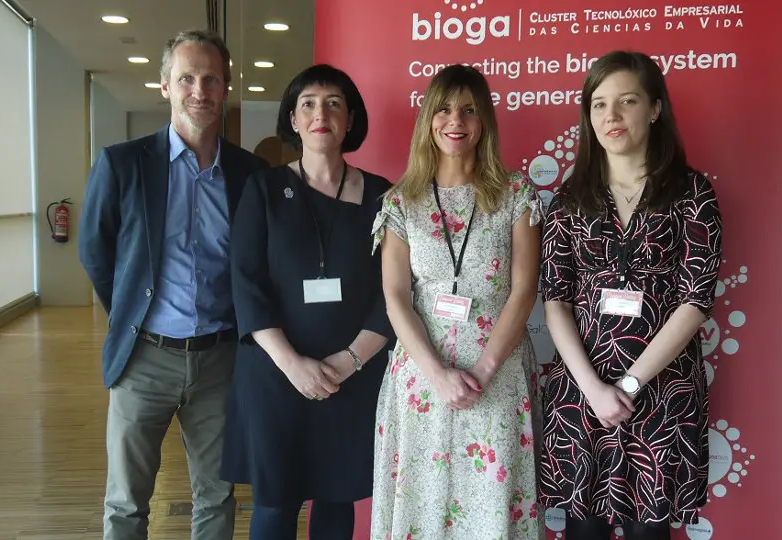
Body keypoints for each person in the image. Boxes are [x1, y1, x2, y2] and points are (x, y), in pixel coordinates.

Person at [78, 29, 269, 540]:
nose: (199, 90)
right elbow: (96, 252)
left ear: (226, 87)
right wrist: (130, 316)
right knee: (126, 502)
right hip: (143, 359)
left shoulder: (250, 173)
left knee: (218, 496)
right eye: (186, 78)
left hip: (220, 361)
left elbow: (255, 264)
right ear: (165, 85)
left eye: (211, 79)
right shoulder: (122, 164)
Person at [537, 50, 724, 540]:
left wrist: (630, 385)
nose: (611, 116)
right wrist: (595, 390)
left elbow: (695, 301)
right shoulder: (569, 199)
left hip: (661, 392)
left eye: (627, 101)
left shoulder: (692, 194)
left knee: (648, 532)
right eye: (599, 104)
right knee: (583, 530)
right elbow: (555, 300)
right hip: (582, 392)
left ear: (655, 108)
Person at [370, 64, 545, 539]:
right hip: (422, 379)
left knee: (490, 505)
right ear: (428, 118)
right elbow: (396, 296)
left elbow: (524, 290)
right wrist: (437, 374)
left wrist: (483, 371)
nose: (456, 120)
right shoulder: (400, 201)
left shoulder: (516, 194)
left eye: (469, 110)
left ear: (484, 120)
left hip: (497, 376)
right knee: (422, 505)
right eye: (444, 109)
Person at [220, 63, 394, 540]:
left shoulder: (383, 196)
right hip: (275, 375)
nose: (321, 114)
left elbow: (395, 291)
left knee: (337, 499)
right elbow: (246, 282)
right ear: (293, 120)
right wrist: (293, 364)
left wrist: (349, 360)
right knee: (274, 505)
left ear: (350, 119)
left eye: (334, 104)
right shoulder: (263, 189)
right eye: (309, 104)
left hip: (351, 377)